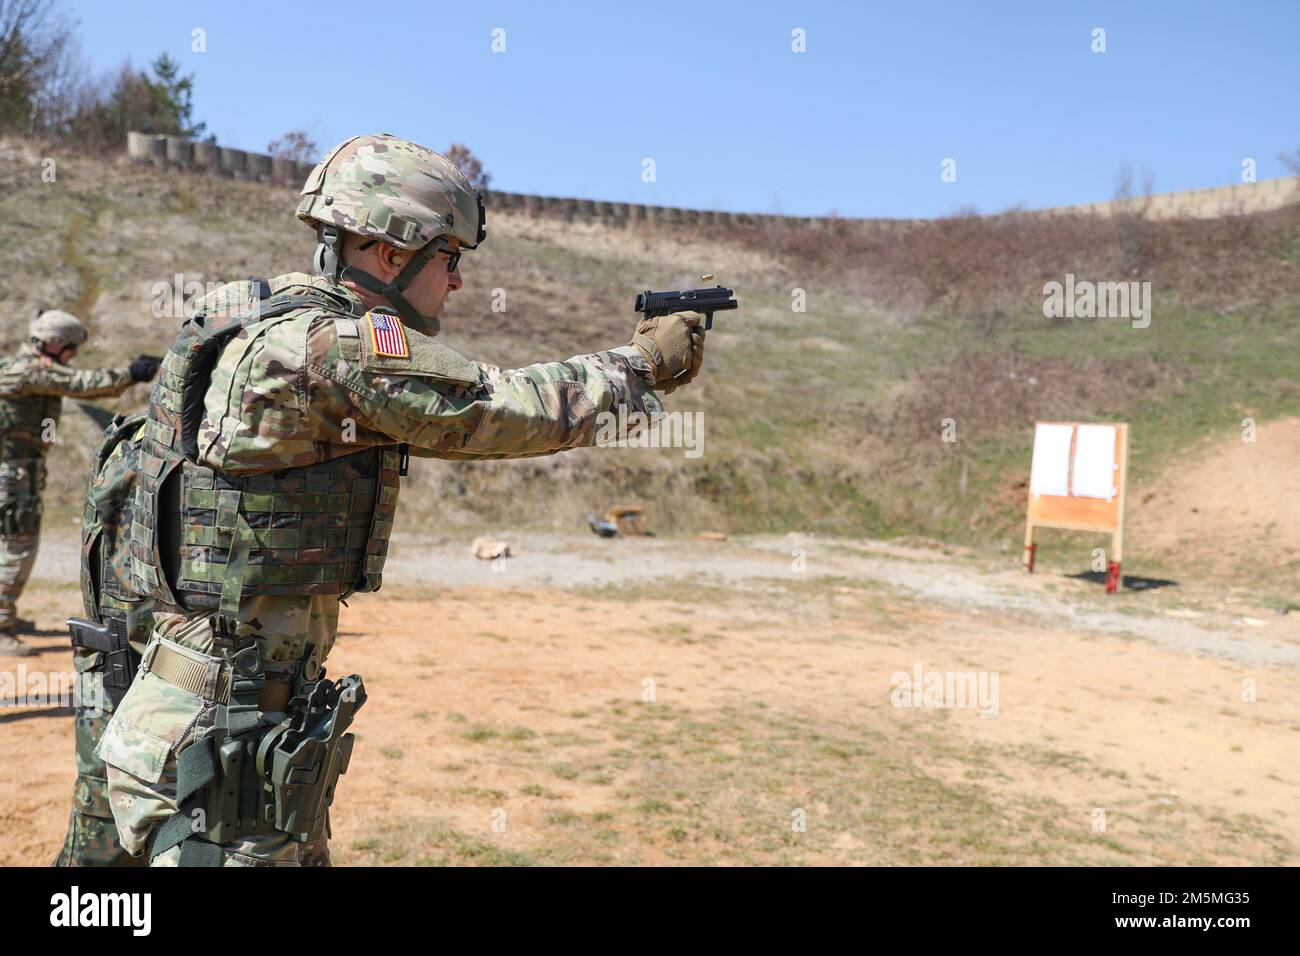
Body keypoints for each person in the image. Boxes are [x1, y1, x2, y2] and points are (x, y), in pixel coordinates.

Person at [98, 133, 707, 866]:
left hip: (213, 721)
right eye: (449, 258)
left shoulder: (251, 316)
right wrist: (642, 365)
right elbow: (499, 409)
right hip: (223, 745)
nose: (455, 283)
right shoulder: (326, 351)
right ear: (390, 253)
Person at [0, 312, 159, 656]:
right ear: (56, 344)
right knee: (18, 545)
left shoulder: (26, 369)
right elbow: (79, 383)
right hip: (12, 475)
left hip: (18, 472)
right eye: (71, 348)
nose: (73, 356)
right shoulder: (28, 370)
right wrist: (130, 375)